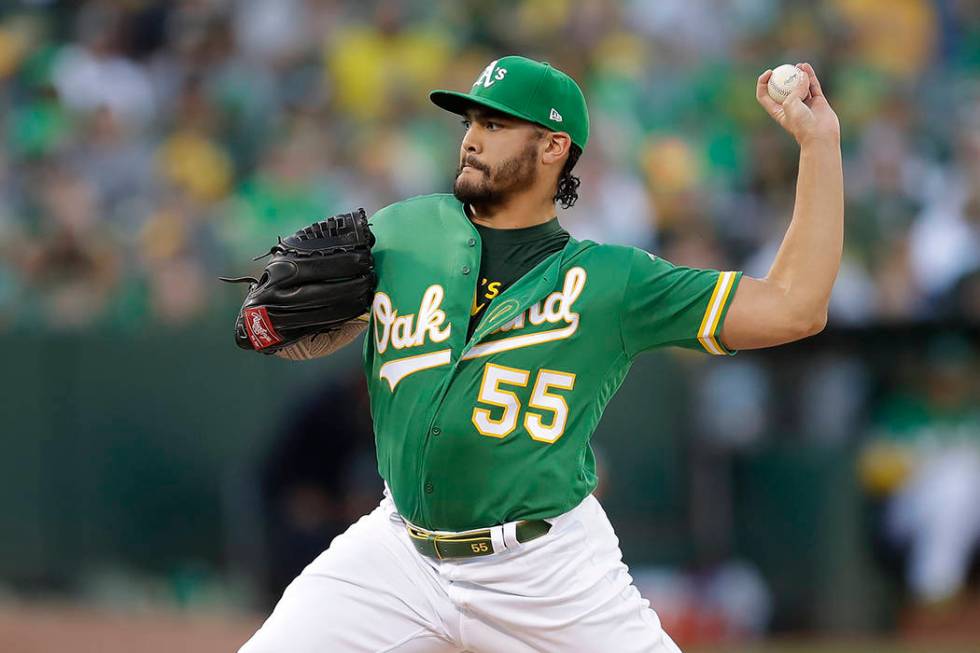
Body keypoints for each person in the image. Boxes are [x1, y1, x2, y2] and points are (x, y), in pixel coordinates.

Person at [240, 55, 842, 652]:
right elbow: (271, 325)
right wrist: (265, 325)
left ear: (554, 146)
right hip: (400, 553)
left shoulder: (614, 282)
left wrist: (819, 147)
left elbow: (794, 308)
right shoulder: (403, 232)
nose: (472, 139)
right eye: (469, 123)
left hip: (545, 571)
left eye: (496, 125)